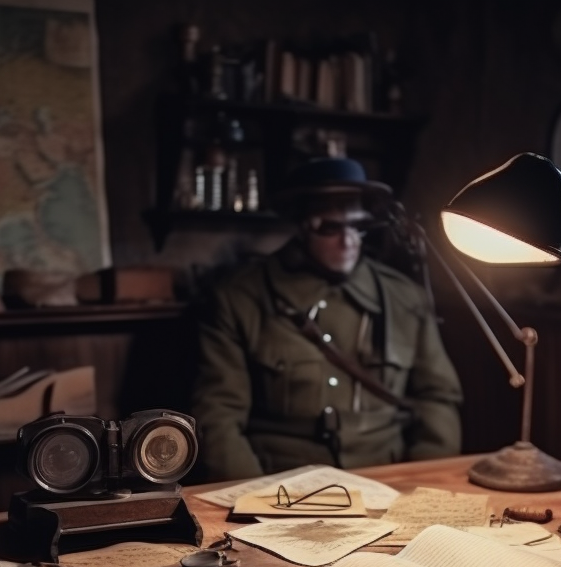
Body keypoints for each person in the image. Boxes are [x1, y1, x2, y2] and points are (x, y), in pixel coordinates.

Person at [190, 157, 463, 481]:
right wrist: (253, 499)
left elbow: (437, 399)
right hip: (283, 485)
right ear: (303, 224)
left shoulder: (404, 298)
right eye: (330, 227)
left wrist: (423, 484)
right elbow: (217, 416)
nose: (348, 241)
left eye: (357, 227)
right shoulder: (240, 298)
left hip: (388, 479)